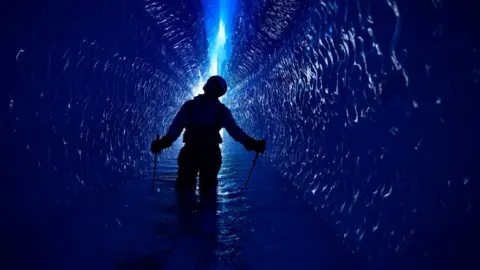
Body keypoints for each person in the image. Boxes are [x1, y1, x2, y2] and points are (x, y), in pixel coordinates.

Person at [150, 75, 266, 194]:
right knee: (208, 194)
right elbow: (235, 131)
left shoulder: (190, 106)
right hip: (210, 156)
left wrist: (163, 143)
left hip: (191, 153)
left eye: (211, 83)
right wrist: (252, 143)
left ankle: (186, 210)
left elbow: (175, 128)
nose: (208, 84)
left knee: (184, 192)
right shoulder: (221, 111)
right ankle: (207, 211)